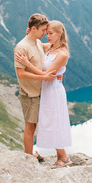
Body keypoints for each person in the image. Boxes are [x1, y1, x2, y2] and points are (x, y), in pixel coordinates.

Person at [15, 20, 72, 169]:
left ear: (60, 34)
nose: (47, 36)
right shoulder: (50, 47)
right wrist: (30, 34)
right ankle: (61, 157)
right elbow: (34, 44)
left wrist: (26, 63)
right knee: (50, 123)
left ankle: (64, 157)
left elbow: (47, 74)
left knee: (54, 123)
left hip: (53, 91)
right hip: (47, 90)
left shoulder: (62, 54)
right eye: (46, 32)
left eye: (50, 33)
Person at [14, 13, 56, 160]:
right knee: (30, 127)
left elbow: (46, 47)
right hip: (29, 93)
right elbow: (21, 74)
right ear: (33, 29)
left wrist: (59, 42)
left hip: (39, 91)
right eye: (43, 30)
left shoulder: (37, 42)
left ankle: (30, 153)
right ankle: (28, 157)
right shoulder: (21, 47)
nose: (45, 33)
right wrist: (43, 77)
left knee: (34, 126)